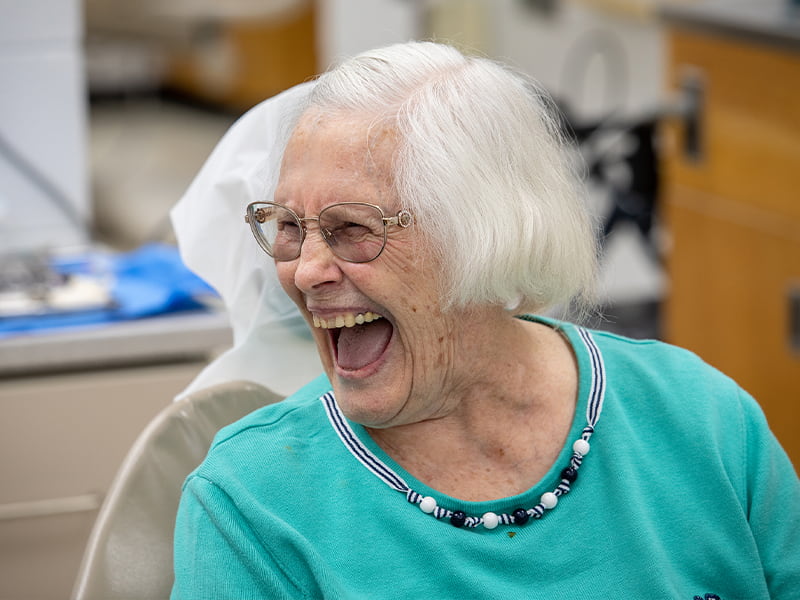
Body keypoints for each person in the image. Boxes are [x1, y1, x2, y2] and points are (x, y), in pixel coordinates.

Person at [170, 41, 799, 599]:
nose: (305, 272)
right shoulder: (254, 504)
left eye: (351, 228)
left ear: (482, 233)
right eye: (288, 228)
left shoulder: (702, 422)